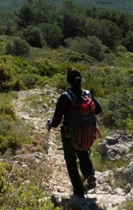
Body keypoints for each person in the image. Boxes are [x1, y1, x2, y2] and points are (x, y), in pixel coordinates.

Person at [47, 67, 102, 198]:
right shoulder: (87, 94)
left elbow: (56, 121)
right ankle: (89, 174)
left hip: (69, 136)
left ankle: (79, 191)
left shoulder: (65, 97)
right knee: (83, 154)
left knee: (71, 162)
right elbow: (98, 110)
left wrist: (49, 125)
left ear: (68, 82)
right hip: (86, 134)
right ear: (80, 80)